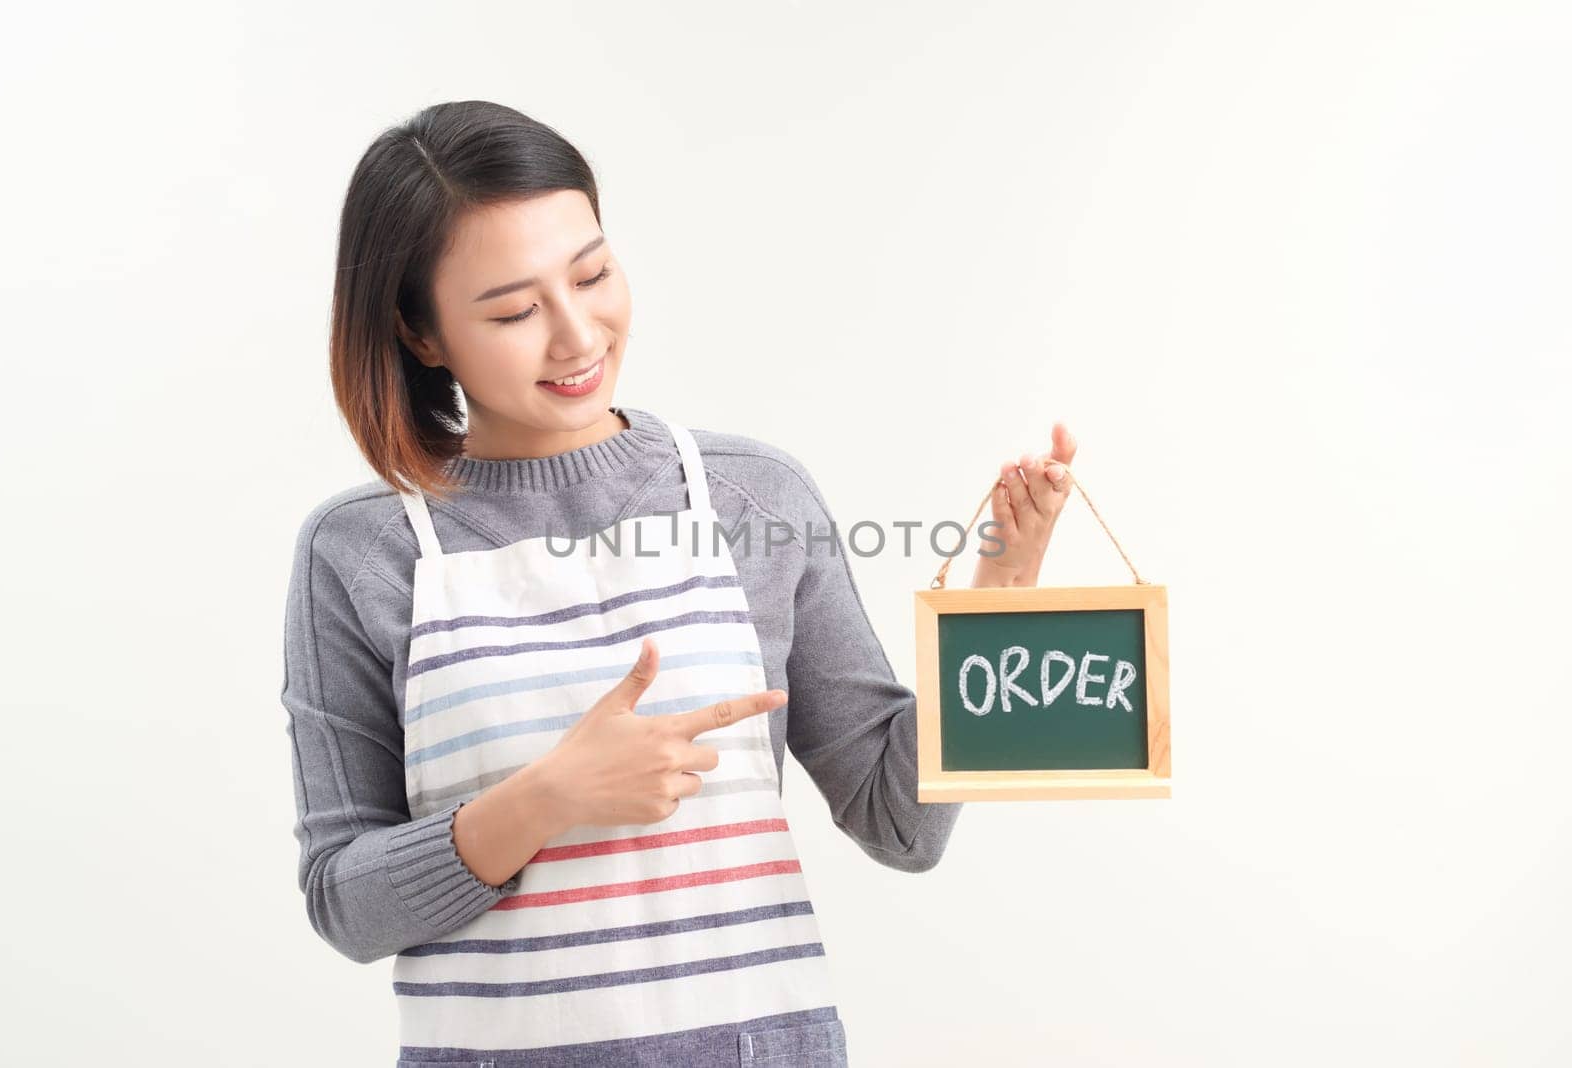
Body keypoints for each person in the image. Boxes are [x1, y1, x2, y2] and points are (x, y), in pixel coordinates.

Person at [280, 99, 1078, 1068]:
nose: (577, 336)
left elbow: (901, 823)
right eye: (515, 310)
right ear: (420, 334)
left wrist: (995, 594)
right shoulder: (362, 551)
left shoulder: (749, 497)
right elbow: (344, 904)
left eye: (592, 273)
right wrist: (547, 797)